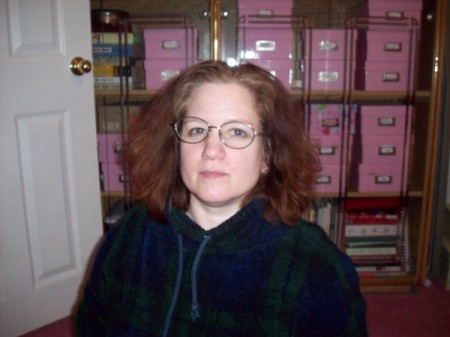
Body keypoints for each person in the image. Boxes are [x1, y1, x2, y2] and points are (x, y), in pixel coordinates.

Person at [75, 60, 367, 336]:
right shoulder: (131, 234)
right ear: (176, 147)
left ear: (267, 154)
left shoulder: (318, 268)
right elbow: (92, 326)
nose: (211, 150)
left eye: (237, 132)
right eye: (198, 130)